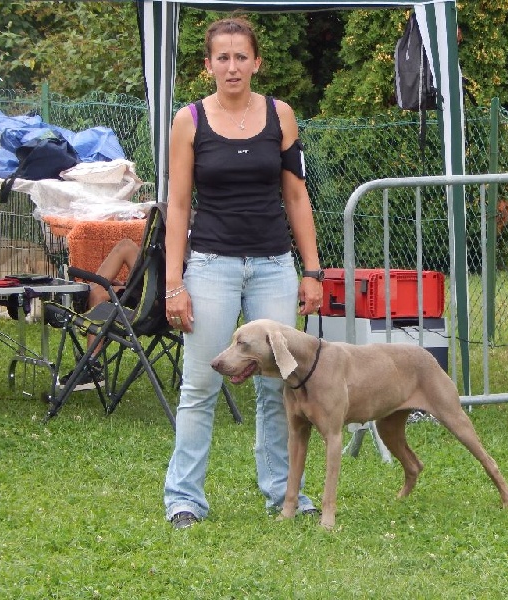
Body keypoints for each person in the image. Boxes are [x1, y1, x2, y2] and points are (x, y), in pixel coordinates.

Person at [162, 16, 324, 530]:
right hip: (210, 266)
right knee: (199, 387)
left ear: (257, 62)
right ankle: (184, 499)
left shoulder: (281, 115)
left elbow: (296, 195)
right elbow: (179, 204)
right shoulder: (189, 121)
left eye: (241, 57)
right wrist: (174, 284)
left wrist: (311, 270)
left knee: (280, 386)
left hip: (274, 266)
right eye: (222, 57)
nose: (232, 67)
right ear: (207, 65)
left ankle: (283, 493)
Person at [59, 237, 140, 390]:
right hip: (155, 286)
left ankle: (91, 365)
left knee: (99, 294)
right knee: (125, 245)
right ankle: (89, 298)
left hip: (160, 298)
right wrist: (126, 285)